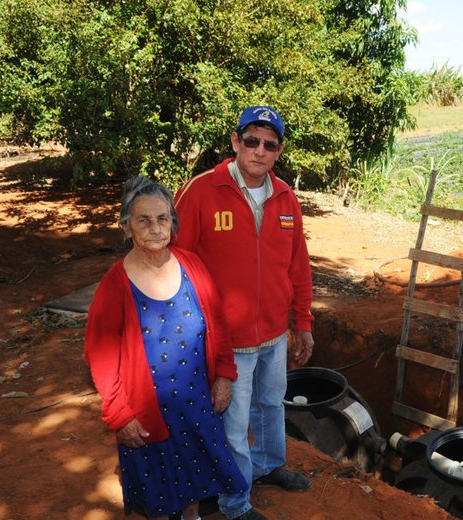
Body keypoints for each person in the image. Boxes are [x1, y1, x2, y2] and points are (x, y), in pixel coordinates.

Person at [172, 105, 314, 520]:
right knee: (232, 424)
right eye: (251, 141)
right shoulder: (201, 190)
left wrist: (302, 322)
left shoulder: (286, 197)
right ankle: (235, 503)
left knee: (271, 406)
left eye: (269, 145)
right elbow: (175, 265)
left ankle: (268, 466)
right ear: (235, 142)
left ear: (279, 151)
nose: (259, 151)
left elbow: (298, 266)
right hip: (225, 340)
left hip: (273, 332)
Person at [84, 176, 248, 520]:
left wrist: (224, 377)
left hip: (197, 406)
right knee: (159, 497)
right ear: (127, 227)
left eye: (162, 218)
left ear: (172, 223)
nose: (155, 227)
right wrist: (119, 415)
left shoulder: (192, 265)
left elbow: (217, 324)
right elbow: (99, 358)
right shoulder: (115, 285)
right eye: (143, 220)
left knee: (193, 487)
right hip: (146, 416)